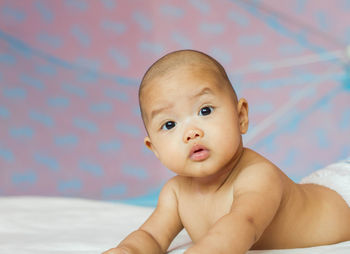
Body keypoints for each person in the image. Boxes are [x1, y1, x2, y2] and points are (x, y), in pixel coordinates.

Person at [103, 50, 350, 254]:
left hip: (342, 196)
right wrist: (128, 249)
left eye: (205, 110)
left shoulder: (258, 176)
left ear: (240, 116)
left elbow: (244, 224)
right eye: (169, 125)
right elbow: (151, 236)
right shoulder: (175, 193)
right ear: (154, 148)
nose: (191, 132)